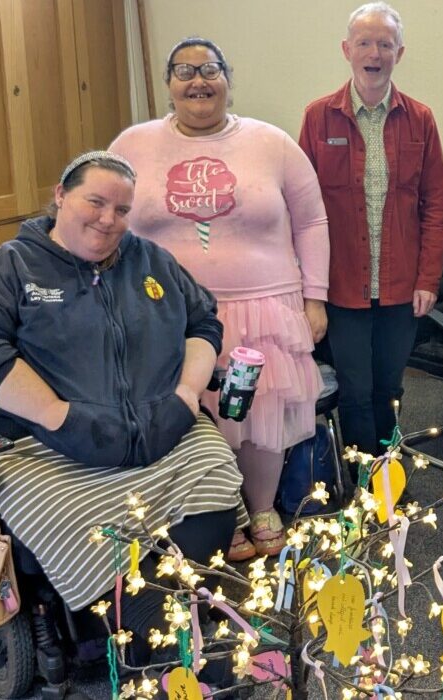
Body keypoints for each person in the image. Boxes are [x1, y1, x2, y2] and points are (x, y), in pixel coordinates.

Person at [0, 152, 243, 656]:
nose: (108, 220)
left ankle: (179, 617)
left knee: (215, 468)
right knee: (70, 518)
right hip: (51, 445)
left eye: (122, 210)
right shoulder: (14, 265)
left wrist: (186, 397)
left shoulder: (150, 259)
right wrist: (56, 413)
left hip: (164, 429)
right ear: (60, 195)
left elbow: (202, 321)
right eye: (95, 202)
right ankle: (164, 644)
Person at [109, 38, 329, 561]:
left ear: (229, 78)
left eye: (209, 69)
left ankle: (261, 507)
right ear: (168, 84)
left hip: (264, 308)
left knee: (261, 414)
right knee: (197, 411)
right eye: (184, 71)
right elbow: (106, 217)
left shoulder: (271, 142)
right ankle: (218, 509)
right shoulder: (132, 144)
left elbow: (313, 220)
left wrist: (315, 297)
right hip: (168, 312)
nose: (198, 80)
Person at [298, 2, 443, 457]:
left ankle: (388, 471)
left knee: (389, 386)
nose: (375, 52)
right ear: (347, 49)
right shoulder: (318, 117)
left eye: (385, 43)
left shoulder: (419, 119)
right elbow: (302, 212)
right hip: (342, 285)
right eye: (365, 42)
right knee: (355, 389)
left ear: (399, 53)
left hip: (401, 287)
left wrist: (427, 280)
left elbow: (436, 208)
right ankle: (363, 483)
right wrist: (311, 293)